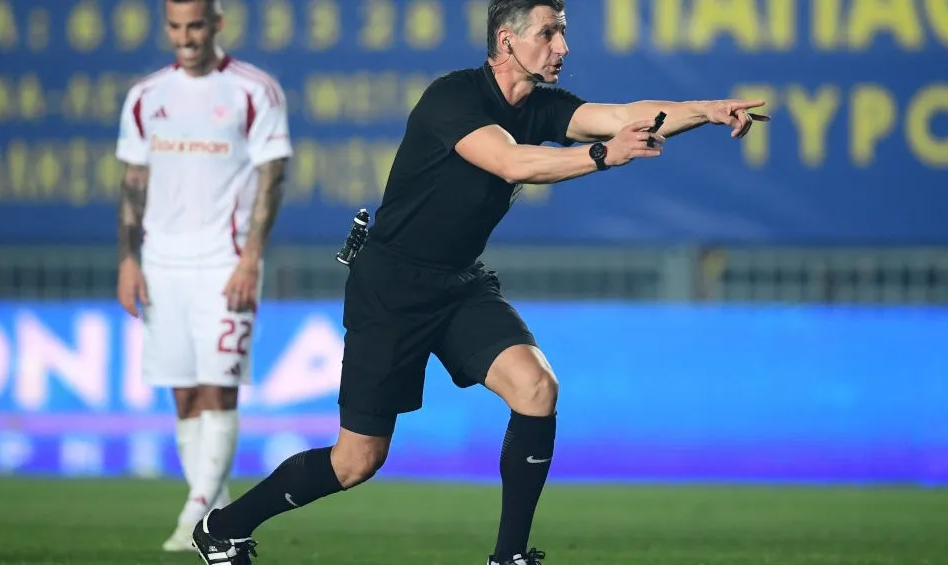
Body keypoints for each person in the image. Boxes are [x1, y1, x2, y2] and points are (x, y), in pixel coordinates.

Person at [191, 0, 768, 563]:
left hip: (458, 284)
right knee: (356, 461)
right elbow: (513, 162)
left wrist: (707, 109)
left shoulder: (542, 106)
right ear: (506, 41)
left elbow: (627, 117)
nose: (563, 46)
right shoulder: (453, 98)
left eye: (563, 32)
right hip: (392, 287)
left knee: (536, 388)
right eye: (549, 32)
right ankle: (222, 528)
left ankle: (509, 556)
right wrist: (601, 156)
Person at [114, 0, 292, 552]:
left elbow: (272, 177)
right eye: (175, 26)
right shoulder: (146, 96)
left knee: (219, 388)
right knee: (185, 395)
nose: (185, 37)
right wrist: (128, 260)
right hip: (161, 263)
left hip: (224, 263)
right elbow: (133, 182)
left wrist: (251, 259)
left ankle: (193, 514)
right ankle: (213, 509)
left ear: (216, 24)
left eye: (195, 25)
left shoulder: (253, 90)